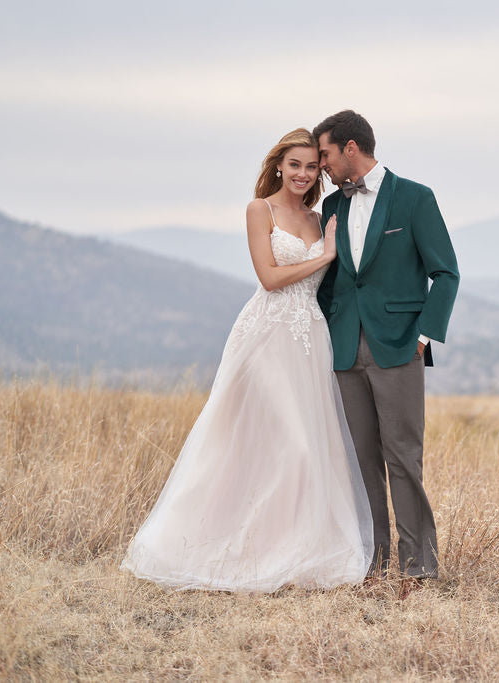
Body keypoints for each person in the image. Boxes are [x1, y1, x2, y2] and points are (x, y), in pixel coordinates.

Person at [121, 129, 374, 592]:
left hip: (309, 339)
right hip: (266, 335)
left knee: (310, 449)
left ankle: (293, 551)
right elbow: (270, 278)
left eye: (311, 166)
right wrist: (326, 257)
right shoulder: (261, 210)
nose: (302, 173)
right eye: (294, 164)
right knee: (285, 444)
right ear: (278, 165)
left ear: (320, 171)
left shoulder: (322, 219)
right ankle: (234, 552)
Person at [313, 110, 458, 595]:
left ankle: (418, 568)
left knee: (403, 458)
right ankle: (373, 564)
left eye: (326, 155)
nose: (323, 166)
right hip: (343, 350)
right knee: (361, 460)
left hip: (398, 347)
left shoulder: (416, 198)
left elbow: (446, 274)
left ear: (351, 148)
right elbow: (329, 281)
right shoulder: (331, 207)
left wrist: (423, 337)